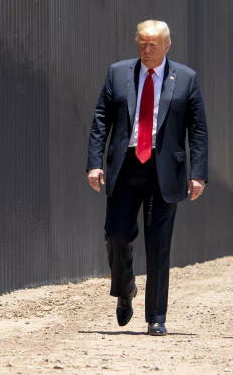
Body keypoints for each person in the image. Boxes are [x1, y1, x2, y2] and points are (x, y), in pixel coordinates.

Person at [86, 20, 208, 336]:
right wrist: (94, 163)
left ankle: (156, 316)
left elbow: (197, 129)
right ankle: (125, 290)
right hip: (125, 166)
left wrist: (198, 173)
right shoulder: (118, 73)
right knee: (116, 235)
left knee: (158, 245)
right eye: (142, 43)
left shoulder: (186, 79)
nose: (147, 49)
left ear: (168, 45)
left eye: (153, 44)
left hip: (164, 169)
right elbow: (101, 119)